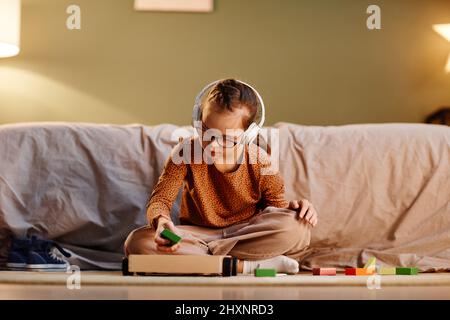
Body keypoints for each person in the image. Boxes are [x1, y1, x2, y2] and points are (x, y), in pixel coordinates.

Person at [124, 78, 318, 274]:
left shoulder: (262, 162)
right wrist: (162, 222)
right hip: (199, 237)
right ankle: (246, 266)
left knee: (297, 227)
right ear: (198, 119)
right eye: (207, 132)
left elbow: (274, 210)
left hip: (246, 233)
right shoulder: (185, 152)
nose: (213, 146)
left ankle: (202, 263)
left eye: (227, 139)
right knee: (137, 241)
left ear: (248, 135)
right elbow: (161, 200)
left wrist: (293, 209)